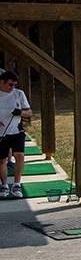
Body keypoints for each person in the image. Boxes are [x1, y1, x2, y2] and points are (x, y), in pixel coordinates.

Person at [0, 70, 33, 199]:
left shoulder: (19, 94)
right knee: (2, 160)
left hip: (16, 131)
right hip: (2, 133)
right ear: (1, 82)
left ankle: (17, 184)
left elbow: (29, 112)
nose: (12, 88)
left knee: (19, 155)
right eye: (10, 84)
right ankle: (4, 185)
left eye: (14, 85)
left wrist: (20, 112)